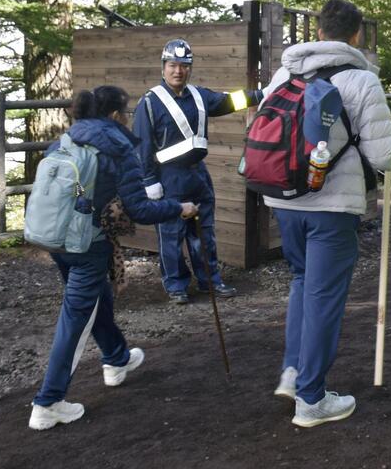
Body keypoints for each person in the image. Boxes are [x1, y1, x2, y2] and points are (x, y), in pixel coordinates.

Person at [264, 0, 391, 427]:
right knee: (324, 297)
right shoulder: (362, 80)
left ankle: (293, 371)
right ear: (355, 35)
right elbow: (384, 158)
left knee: (303, 282)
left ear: (319, 32)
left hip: (284, 199)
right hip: (332, 204)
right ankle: (311, 399)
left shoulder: (285, 72)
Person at [29, 86, 198, 431]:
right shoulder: (119, 148)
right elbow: (138, 208)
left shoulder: (67, 139)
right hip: (87, 245)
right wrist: (178, 208)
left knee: (95, 300)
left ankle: (116, 359)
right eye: (126, 112)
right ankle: (48, 402)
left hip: (54, 239)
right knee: (76, 319)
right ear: (115, 115)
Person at [132, 40, 263, 304]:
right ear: (163, 67)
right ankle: (176, 286)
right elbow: (143, 145)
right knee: (171, 235)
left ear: (190, 68)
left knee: (204, 232)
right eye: (172, 65)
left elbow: (230, 101)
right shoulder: (149, 103)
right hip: (168, 177)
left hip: (198, 175)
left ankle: (210, 281)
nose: (178, 71)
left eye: (183, 66)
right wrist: (149, 182)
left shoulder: (199, 96)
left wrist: (262, 95)